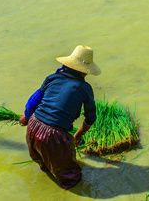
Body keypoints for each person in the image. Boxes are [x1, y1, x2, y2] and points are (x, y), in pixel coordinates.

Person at [20, 45, 100, 189]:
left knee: (43, 162)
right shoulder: (84, 88)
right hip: (53, 136)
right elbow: (91, 117)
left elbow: (35, 99)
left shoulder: (52, 78)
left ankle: (46, 185)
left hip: (33, 125)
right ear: (85, 71)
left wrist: (26, 117)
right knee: (71, 177)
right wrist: (78, 135)